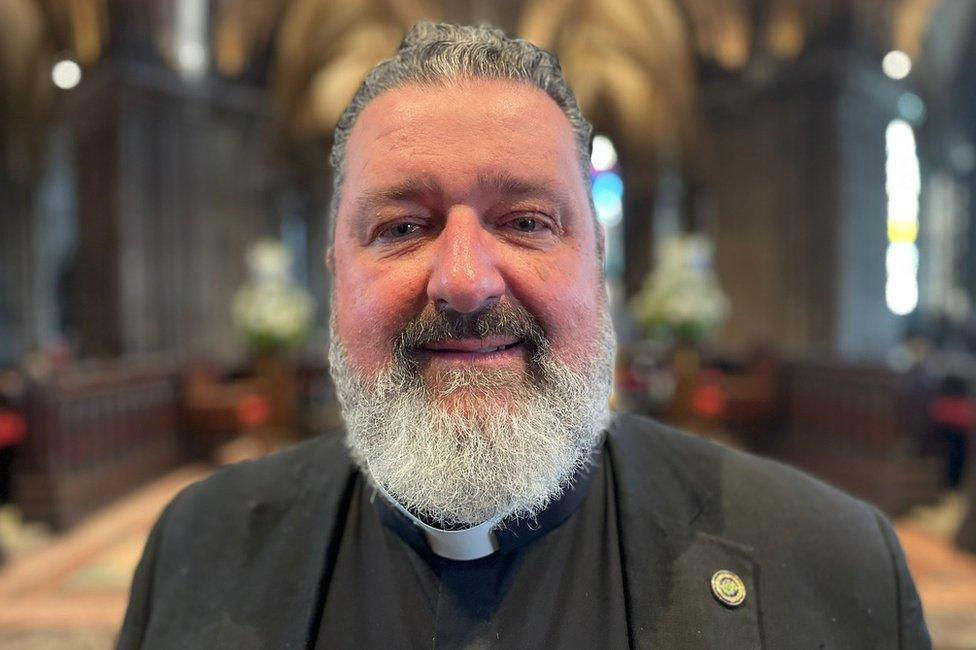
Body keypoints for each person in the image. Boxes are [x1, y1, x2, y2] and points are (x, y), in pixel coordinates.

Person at [119, 22, 930, 649]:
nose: (466, 280)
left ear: (598, 263)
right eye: (403, 226)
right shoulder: (196, 550)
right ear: (335, 270)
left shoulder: (832, 567)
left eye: (528, 222)